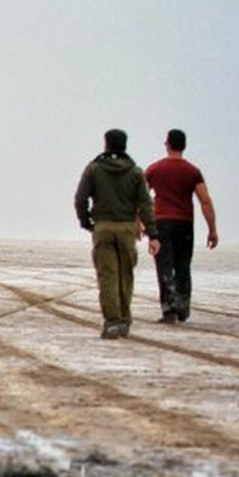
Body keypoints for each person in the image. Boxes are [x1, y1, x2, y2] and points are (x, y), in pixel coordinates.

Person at [74, 129, 160, 339]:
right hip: (127, 229)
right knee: (126, 276)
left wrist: (87, 222)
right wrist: (153, 233)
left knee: (108, 276)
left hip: (103, 228)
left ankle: (112, 321)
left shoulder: (93, 169)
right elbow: (145, 204)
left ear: (106, 144)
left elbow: (80, 198)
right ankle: (124, 318)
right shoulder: (135, 172)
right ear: (125, 145)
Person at [144, 128, 218, 323]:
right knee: (183, 265)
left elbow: (141, 198)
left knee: (164, 266)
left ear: (167, 144)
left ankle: (169, 311)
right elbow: (205, 201)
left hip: (161, 222)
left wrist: (140, 222)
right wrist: (212, 229)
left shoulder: (154, 169)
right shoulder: (192, 171)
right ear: (184, 146)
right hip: (184, 223)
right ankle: (182, 307)